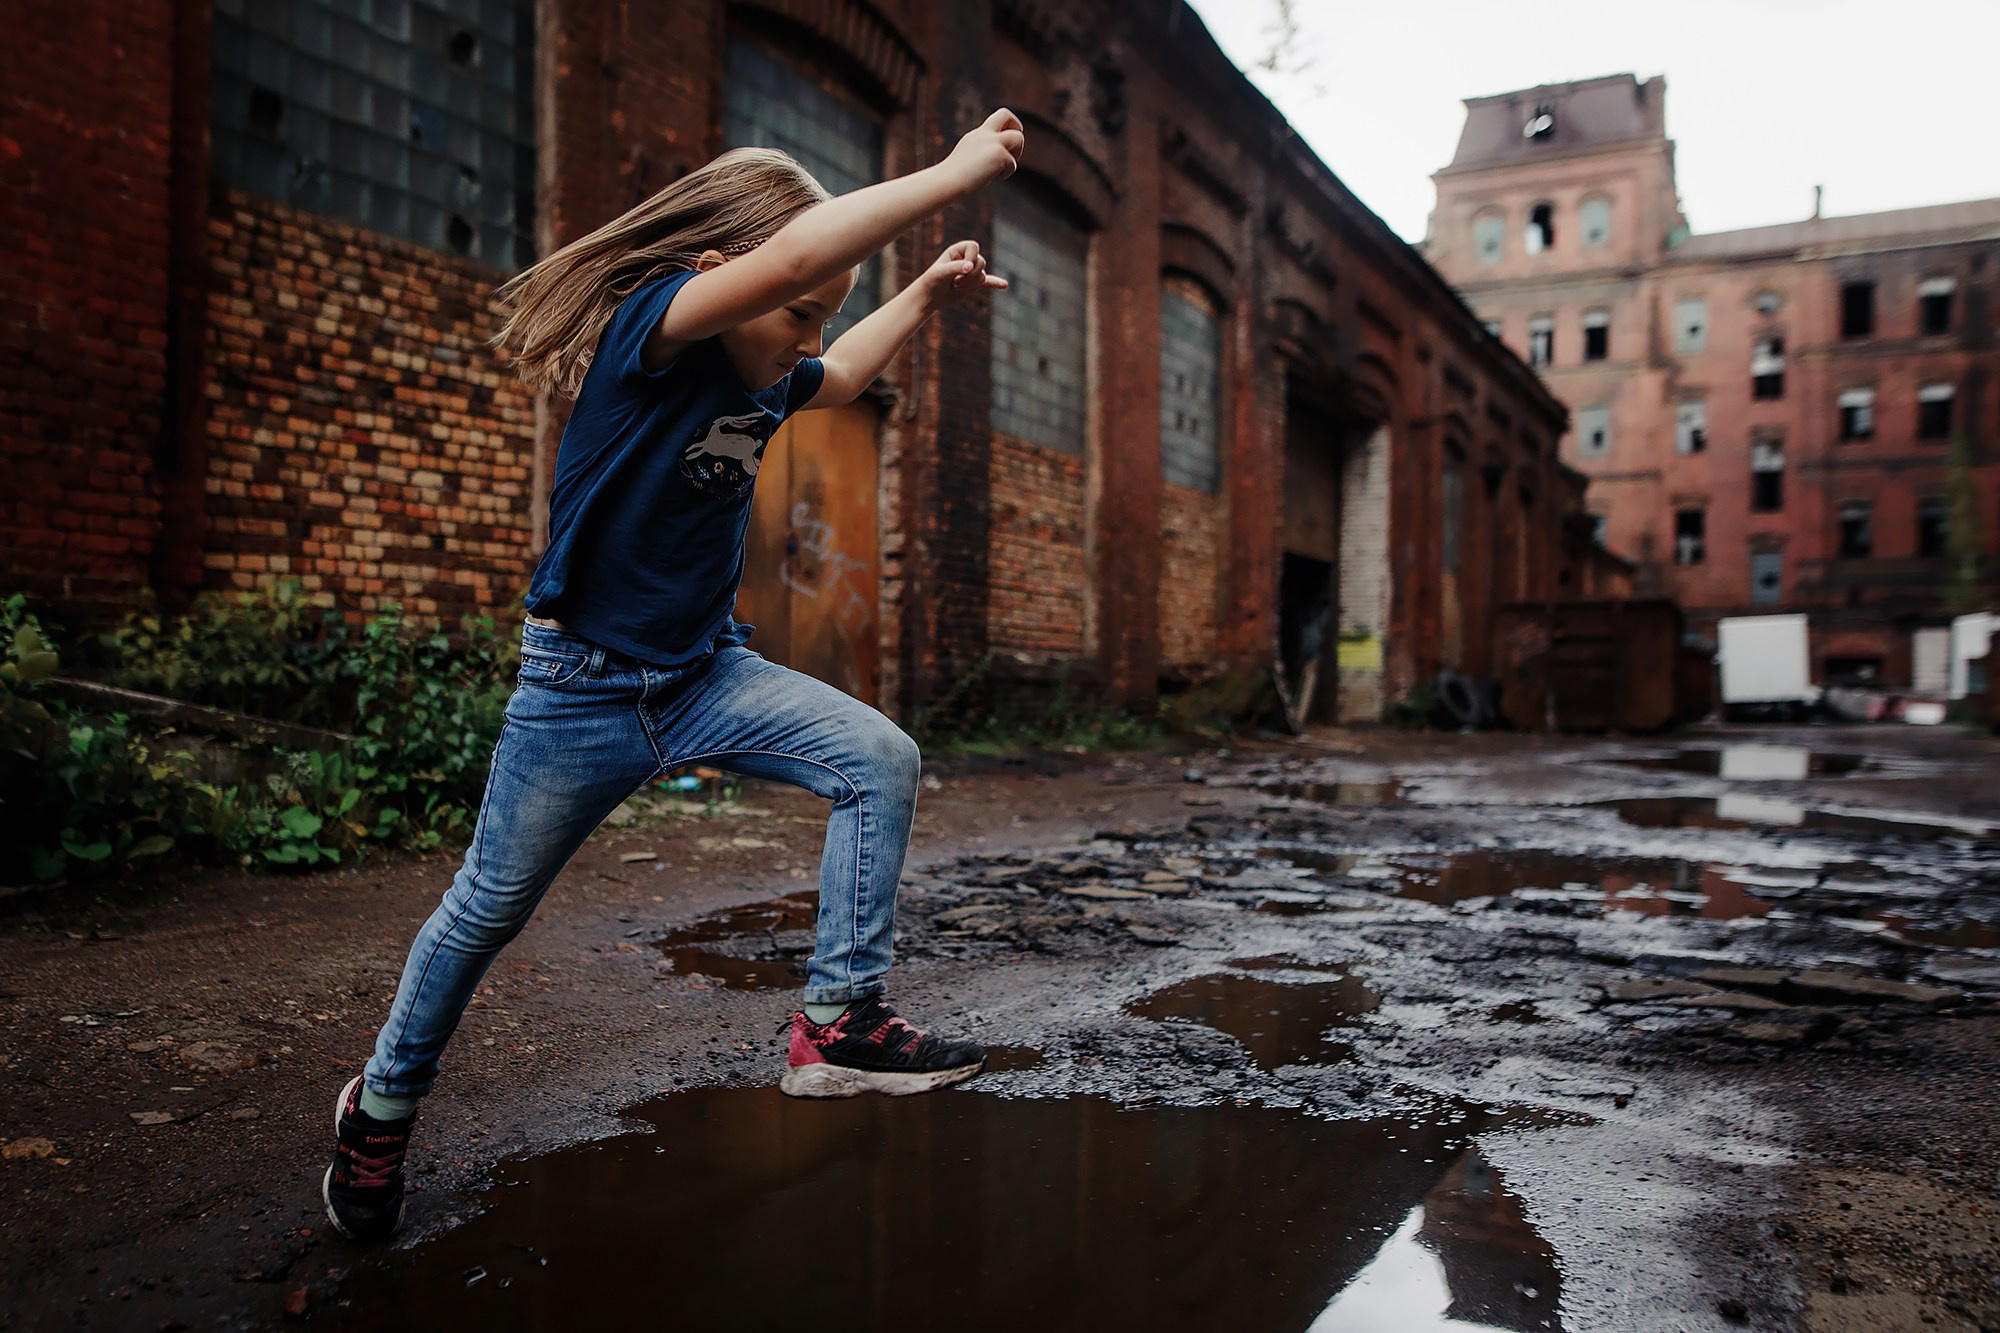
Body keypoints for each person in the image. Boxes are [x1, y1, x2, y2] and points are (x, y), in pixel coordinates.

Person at [322, 110, 1027, 1242]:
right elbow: (789, 261)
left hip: (702, 676)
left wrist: (925, 295)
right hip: (577, 693)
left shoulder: (768, 379)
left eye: (816, 317)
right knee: (485, 910)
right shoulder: (650, 333)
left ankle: (837, 1020)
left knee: (878, 757)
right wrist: (946, 178)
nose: (806, 336)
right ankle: (383, 1104)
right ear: (717, 277)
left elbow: (846, 372)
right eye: (796, 312)